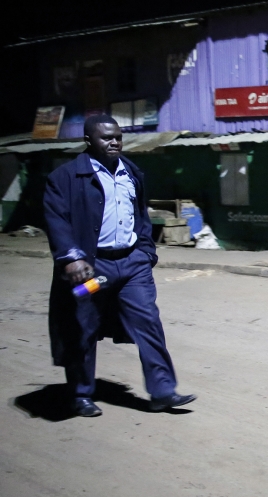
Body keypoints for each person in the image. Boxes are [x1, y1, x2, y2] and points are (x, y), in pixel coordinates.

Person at [44, 114, 196, 417]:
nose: (114, 142)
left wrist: (145, 251)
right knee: (83, 327)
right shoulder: (66, 177)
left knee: (148, 322)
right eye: (106, 138)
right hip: (92, 268)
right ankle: (81, 394)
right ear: (89, 141)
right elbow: (56, 220)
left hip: (132, 265)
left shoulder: (132, 173)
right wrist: (72, 256)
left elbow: (140, 215)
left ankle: (162, 391)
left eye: (118, 137)